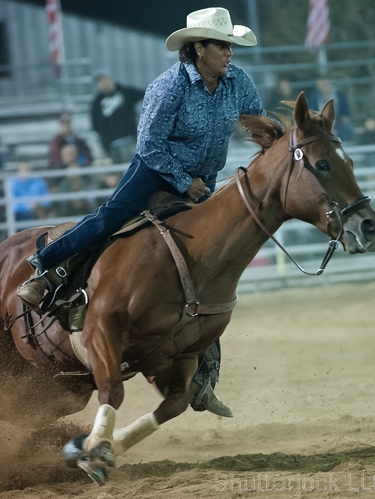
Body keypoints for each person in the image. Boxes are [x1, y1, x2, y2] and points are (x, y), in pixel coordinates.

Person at [17, 7, 264, 419]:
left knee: (208, 266)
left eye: (230, 45)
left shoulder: (238, 82)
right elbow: (149, 144)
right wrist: (183, 181)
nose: (229, 52)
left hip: (202, 178)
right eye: (221, 45)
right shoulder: (168, 86)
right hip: (156, 171)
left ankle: (204, 378)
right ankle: (45, 268)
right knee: (111, 217)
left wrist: (277, 140)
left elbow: (258, 120)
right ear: (198, 48)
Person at [90, 70, 145, 164]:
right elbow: (95, 124)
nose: (104, 83)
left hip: (131, 139)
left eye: (106, 79)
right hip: (112, 144)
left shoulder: (125, 92)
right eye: (101, 81)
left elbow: (144, 94)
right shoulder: (97, 103)